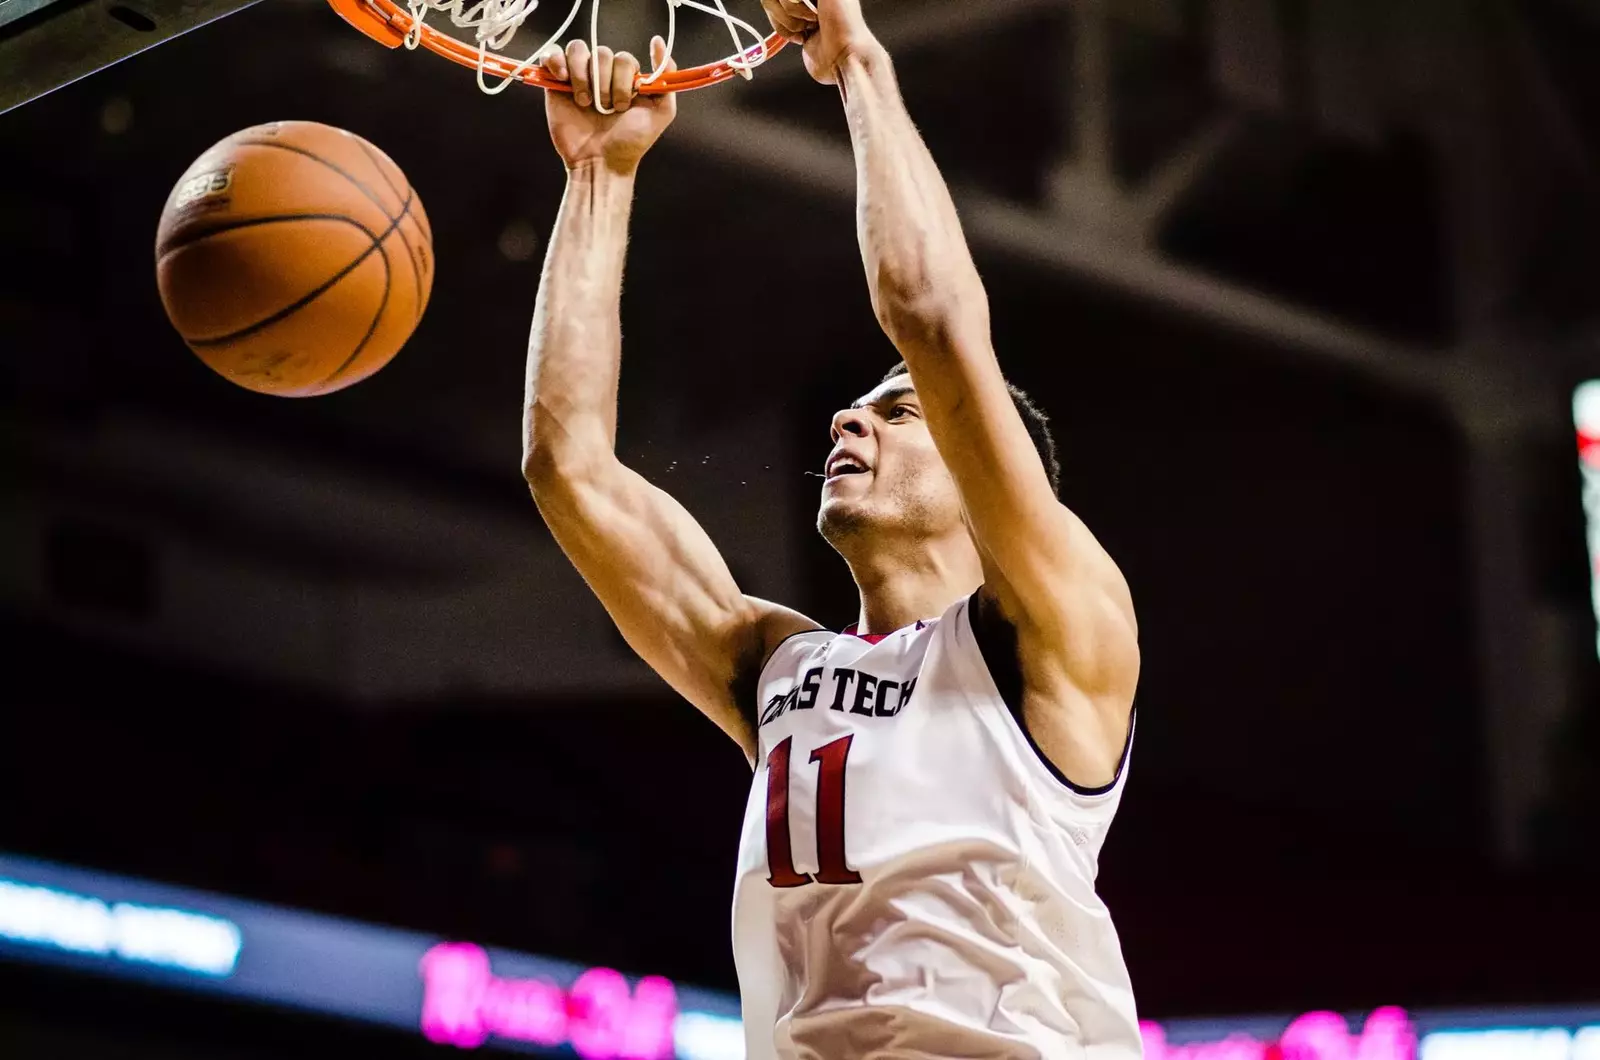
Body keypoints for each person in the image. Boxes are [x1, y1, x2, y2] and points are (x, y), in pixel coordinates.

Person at [521, 1, 1142, 1054]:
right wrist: (598, 178)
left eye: (901, 411)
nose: (852, 417)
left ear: (997, 477)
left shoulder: (1054, 626)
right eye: (861, 404)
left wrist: (853, 54)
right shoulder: (776, 669)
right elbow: (567, 467)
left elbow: (932, 319)